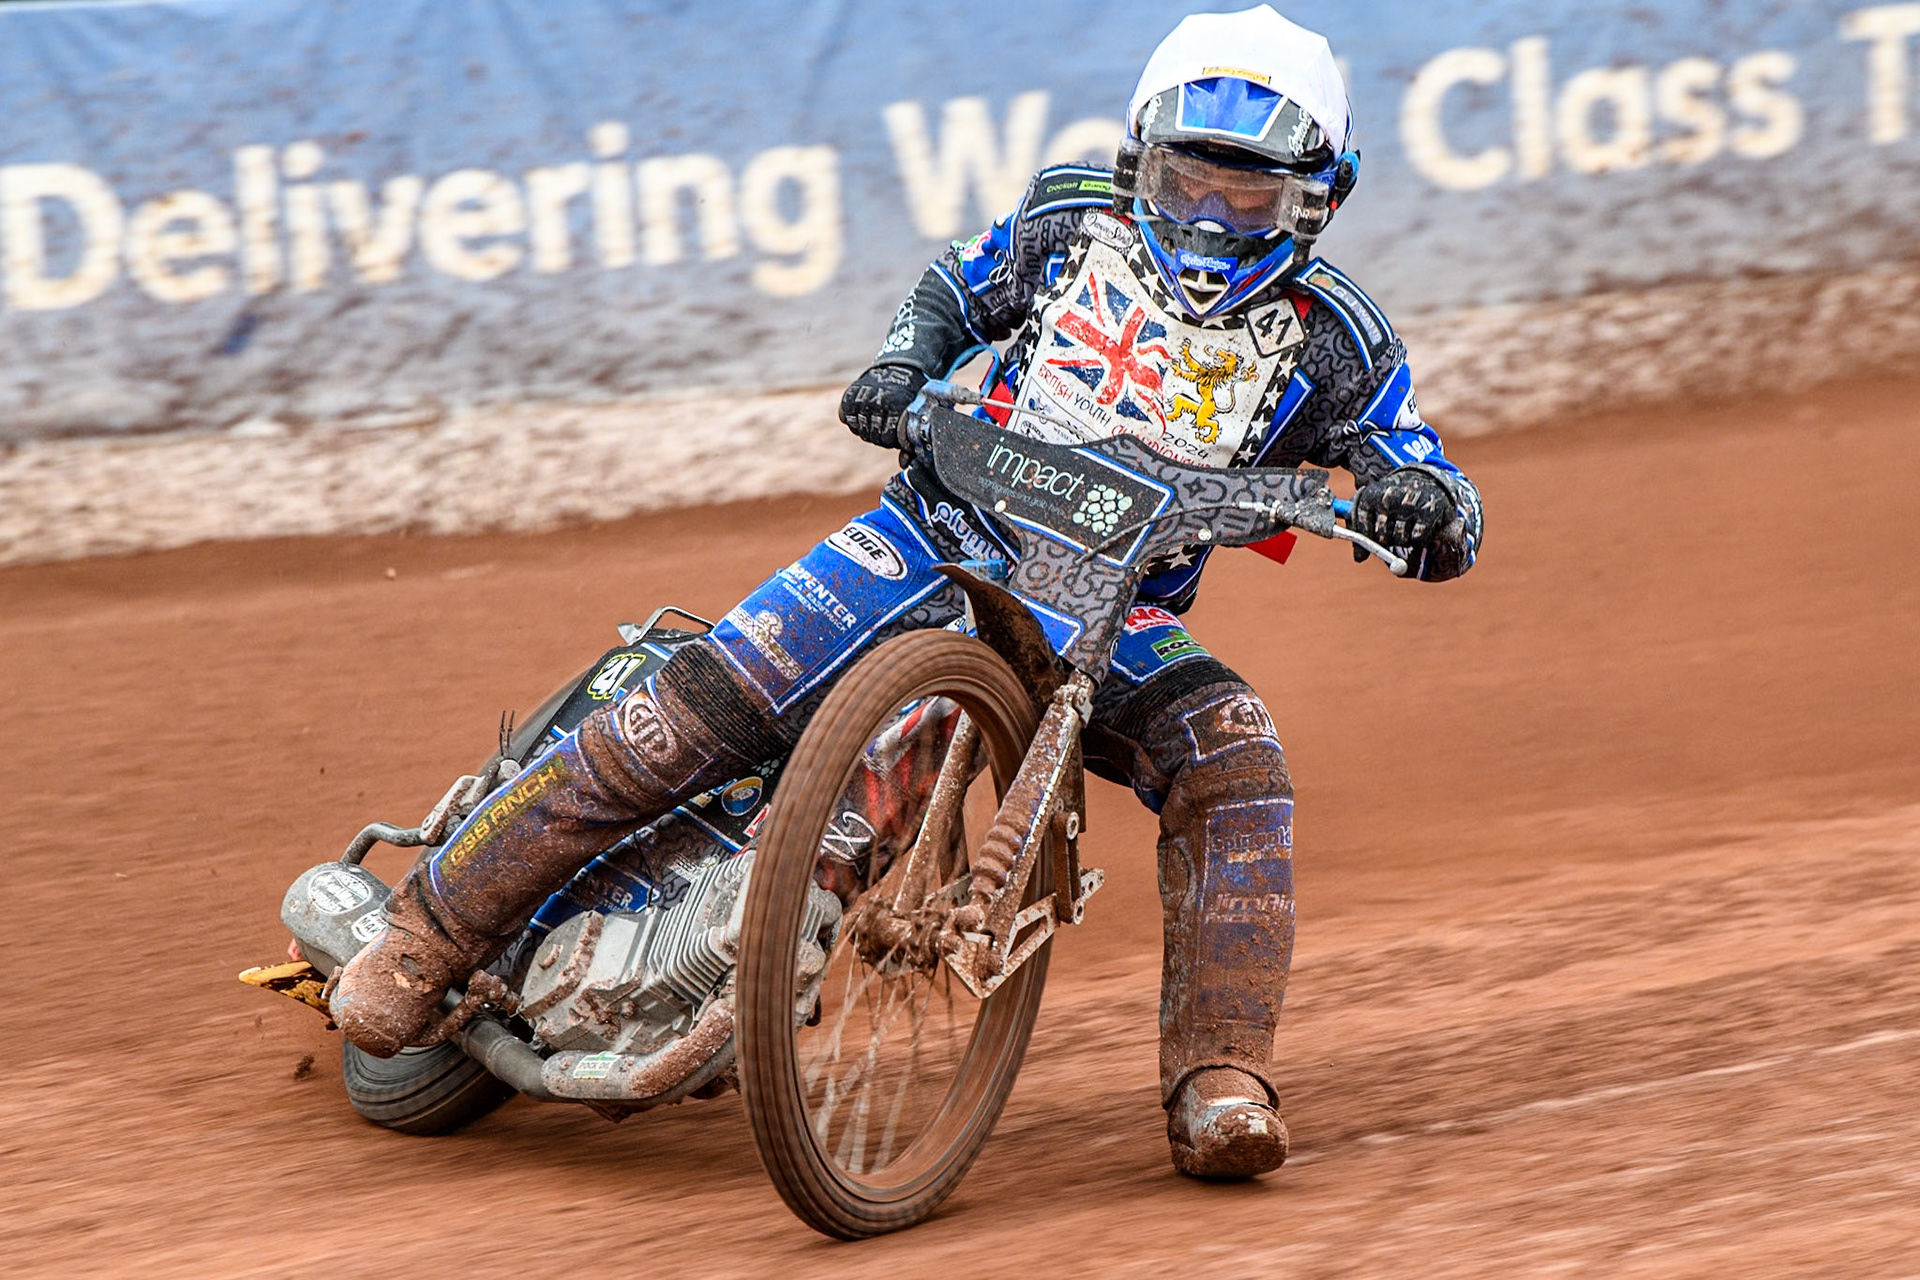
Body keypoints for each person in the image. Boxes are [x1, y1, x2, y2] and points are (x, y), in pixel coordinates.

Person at [331, 4, 1483, 1180]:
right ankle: (429, 934)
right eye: (1187, 178)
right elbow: (953, 286)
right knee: (700, 701)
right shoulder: (1067, 216)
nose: (1206, 215)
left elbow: (1425, 470)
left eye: (1245, 194)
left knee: (1235, 751)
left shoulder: (1338, 339)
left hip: (1108, 613)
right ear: (1144, 160)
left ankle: (1219, 1076)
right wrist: (899, 365)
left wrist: (1424, 511)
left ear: (1317, 195)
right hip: (931, 532)